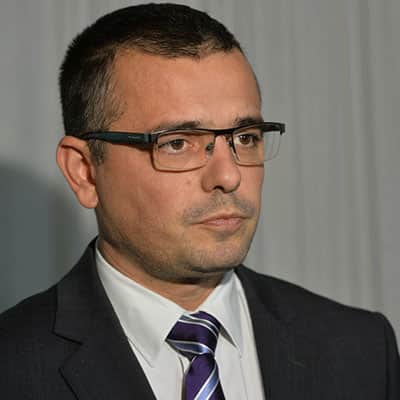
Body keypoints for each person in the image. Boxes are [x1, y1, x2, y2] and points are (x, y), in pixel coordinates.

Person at [0, 3, 398, 399]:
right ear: (84, 172)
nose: (229, 176)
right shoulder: (13, 368)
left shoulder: (360, 350)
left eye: (246, 137)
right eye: (177, 143)